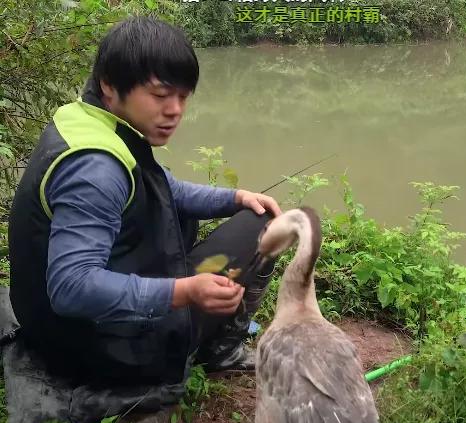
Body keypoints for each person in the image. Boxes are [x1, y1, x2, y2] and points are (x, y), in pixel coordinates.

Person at [7, 16, 281, 387]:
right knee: (264, 225)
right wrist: (185, 291)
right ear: (109, 85)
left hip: (55, 329)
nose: (175, 110)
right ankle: (220, 349)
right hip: (99, 350)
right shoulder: (96, 171)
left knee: (231, 211)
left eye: (183, 96)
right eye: (160, 95)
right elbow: (71, 287)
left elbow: (167, 189)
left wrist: (236, 197)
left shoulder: (89, 122)